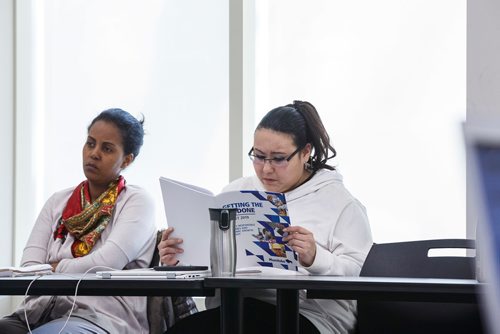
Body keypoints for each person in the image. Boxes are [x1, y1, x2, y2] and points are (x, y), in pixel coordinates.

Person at [158, 100, 373, 334]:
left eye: (278, 158)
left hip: (309, 315)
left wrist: (315, 257)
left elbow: (363, 274)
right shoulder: (235, 191)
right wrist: (178, 259)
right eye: (258, 156)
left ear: (305, 152)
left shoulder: (340, 202)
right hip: (234, 308)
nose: (266, 169)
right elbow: (209, 263)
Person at [0, 108, 156, 334]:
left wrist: (55, 267)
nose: (94, 153)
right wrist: (61, 270)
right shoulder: (58, 201)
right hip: (38, 313)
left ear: (127, 160)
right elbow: (29, 269)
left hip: (101, 318)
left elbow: (106, 263)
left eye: (107, 148)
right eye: (90, 143)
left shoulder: (137, 202)